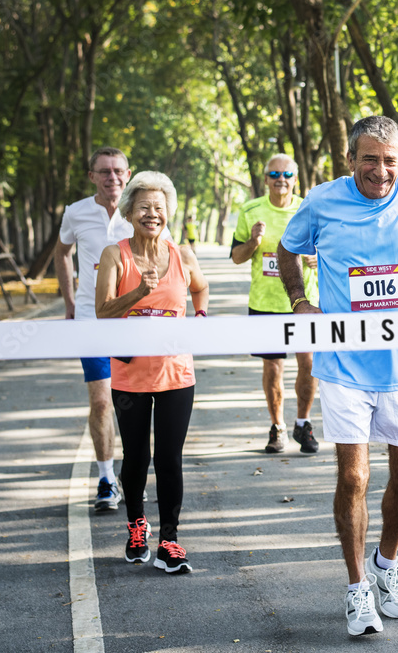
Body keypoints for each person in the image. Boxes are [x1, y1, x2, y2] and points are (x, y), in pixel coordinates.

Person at [277, 116, 398, 637]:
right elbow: (287, 250)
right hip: (343, 365)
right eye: (369, 158)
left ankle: (387, 565)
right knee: (354, 477)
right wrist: (300, 300)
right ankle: (357, 585)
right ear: (350, 159)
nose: (380, 170)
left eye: (390, 159)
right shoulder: (321, 200)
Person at [96, 171, 209, 574]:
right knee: (137, 456)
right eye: (144, 206)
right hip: (130, 375)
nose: (152, 214)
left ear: (168, 213)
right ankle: (136, 526)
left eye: (159, 208)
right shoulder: (116, 255)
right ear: (129, 211)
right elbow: (102, 310)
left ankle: (170, 540)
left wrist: (200, 315)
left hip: (177, 373)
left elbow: (200, 287)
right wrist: (139, 294)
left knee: (169, 458)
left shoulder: (181, 255)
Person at [56, 147, 134, 512]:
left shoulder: (142, 211)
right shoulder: (76, 212)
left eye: (118, 171)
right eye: (104, 171)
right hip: (91, 320)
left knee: (134, 405)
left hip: (137, 322)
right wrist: (70, 303)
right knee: (102, 400)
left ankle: (132, 476)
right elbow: (61, 253)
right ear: (92, 176)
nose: (112, 177)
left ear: (128, 174)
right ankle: (106, 478)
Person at [231, 154, 320, 455]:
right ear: (266, 178)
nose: (280, 179)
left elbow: (331, 250)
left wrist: (318, 258)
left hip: (304, 302)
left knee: (308, 365)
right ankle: (277, 426)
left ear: (296, 179)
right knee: (273, 368)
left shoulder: (309, 209)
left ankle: (303, 423)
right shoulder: (251, 210)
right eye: (274, 174)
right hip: (265, 303)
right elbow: (236, 257)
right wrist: (253, 243)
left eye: (287, 174)